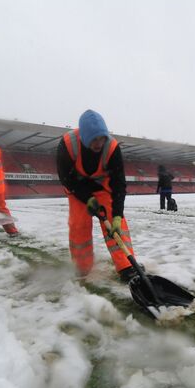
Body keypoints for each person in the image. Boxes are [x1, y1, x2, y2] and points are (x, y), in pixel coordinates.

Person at [57, 110, 137, 281]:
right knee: (79, 225)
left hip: (103, 188)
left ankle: (126, 267)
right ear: (84, 137)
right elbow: (66, 178)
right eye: (94, 139)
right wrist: (87, 198)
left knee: (116, 226)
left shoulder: (113, 147)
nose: (99, 143)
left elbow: (119, 184)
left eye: (102, 138)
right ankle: (82, 267)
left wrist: (116, 215)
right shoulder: (67, 144)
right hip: (77, 188)